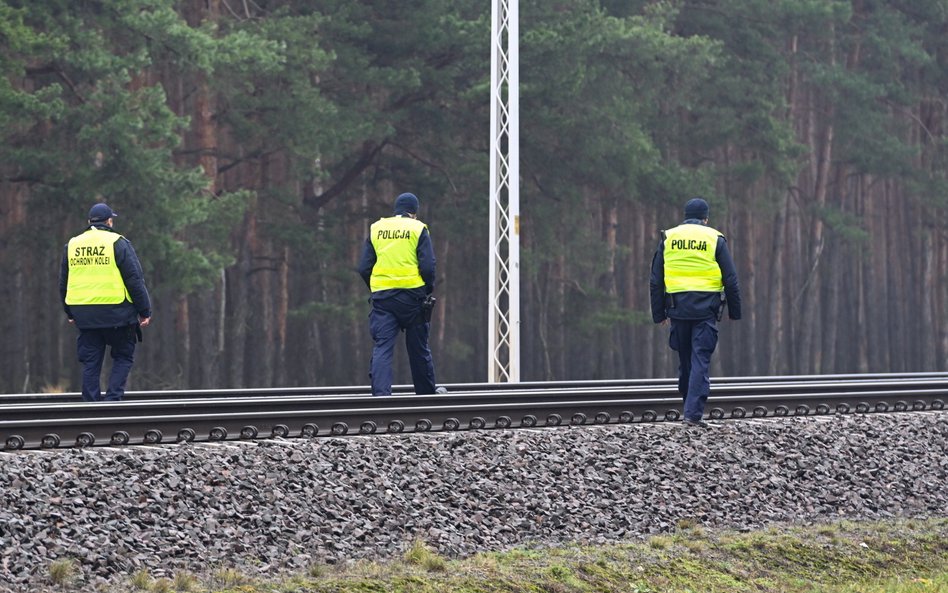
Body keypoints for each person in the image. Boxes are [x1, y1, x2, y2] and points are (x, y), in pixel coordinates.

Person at [649, 197, 741, 428]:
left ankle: (688, 408)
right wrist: (735, 310)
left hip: (677, 309)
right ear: (706, 218)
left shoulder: (669, 238)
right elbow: (731, 279)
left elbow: (655, 280)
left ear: (685, 215)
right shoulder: (714, 238)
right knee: (700, 359)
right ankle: (692, 415)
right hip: (705, 310)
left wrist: (659, 314)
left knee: (685, 361)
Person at [60, 203, 152, 402]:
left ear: (89, 222)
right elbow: (134, 279)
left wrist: (69, 312)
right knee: (123, 356)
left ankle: (91, 408)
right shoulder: (118, 242)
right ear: (109, 221)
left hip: (85, 316)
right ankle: (112, 403)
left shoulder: (73, 244)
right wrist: (144, 311)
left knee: (90, 362)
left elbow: (64, 282)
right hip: (118, 313)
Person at [357, 192, 444, 396]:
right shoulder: (417, 228)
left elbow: (363, 267)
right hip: (413, 299)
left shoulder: (377, 228)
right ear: (413, 212)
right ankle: (426, 395)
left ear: (396, 209)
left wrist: (377, 286)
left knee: (383, 347)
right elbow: (428, 266)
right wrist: (427, 289)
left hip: (383, 299)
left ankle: (381, 398)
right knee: (418, 349)